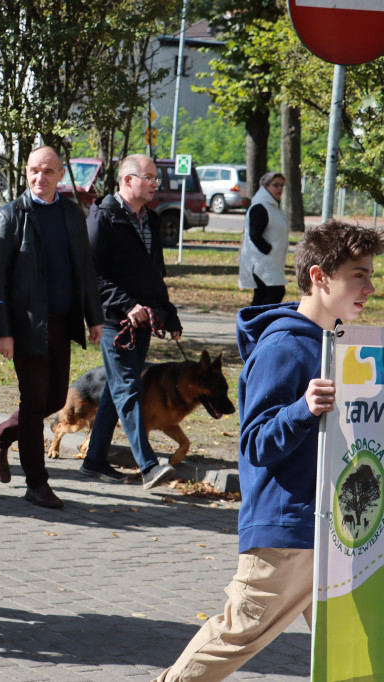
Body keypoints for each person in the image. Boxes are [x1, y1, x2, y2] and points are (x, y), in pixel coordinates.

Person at [155, 220, 383, 681]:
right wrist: (302, 409)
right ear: (319, 277)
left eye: (370, 275)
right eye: (359, 274)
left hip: (339, 531)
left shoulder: (339, 346)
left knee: (358, 651)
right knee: (234, 636)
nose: (371, 287)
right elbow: (255, 443)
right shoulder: (282, 347)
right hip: (288, 534)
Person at [0, 146, 103, 509]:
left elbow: (85, 268)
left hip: (62, 323)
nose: (40, 177)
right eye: (34, 170)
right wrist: (2, 331)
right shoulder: (10, 215)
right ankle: (37, 482)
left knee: (52, 399)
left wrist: (93, 317)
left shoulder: (70, 212)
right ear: (26, 171)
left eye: (48, 171)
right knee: (34, 403)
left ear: (60, 175)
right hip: (26, 325)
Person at [79, 154, 182, 490]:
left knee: (115, 390)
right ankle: (149, 465)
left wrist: (168, 314)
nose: (156, 183)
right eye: (149, 177)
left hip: (145, 323)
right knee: (127, 388)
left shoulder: (150, 220)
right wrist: (126, 306)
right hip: (115, 323)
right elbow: (91, 274)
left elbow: (155, 275)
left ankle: (94, 460)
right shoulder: (103, 216)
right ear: (127, 180)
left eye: (155, 178)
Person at [239, 171, 288, 306]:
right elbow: (254, 234)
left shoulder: (273, 207)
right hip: (261, 263)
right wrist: (269, 250)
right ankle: (257, 324)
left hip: (271, 263)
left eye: (282, 185)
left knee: (262, 295)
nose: (280, 189)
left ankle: (250, 325)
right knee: (275, 292)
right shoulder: (260, 207)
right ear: (266, 187)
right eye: (276, 185)